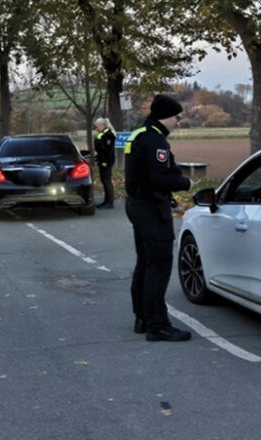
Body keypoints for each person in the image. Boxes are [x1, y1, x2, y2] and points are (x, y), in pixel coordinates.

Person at [125, 94, 193, 342]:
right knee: (160, 264)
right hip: (151, 208)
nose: (178, 121)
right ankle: (157, 325)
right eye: (177, 117)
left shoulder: (140, 134)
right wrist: (186, 183)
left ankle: (142, 317)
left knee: (145, 262)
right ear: (166, 116)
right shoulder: (155, 141)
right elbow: (160, 178)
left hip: (138, 204)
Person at [93, 117, 117, 209]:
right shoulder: (102, 133)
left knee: (107, 181)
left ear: (102, 125)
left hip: (106, 161)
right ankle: (106, 201)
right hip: (102, 160)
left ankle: (110, 202)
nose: (96, 128)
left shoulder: (108, 135)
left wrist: (105, 161)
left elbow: (108, 150)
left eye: (97, 126)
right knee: (104, 180)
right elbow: (100, 149)